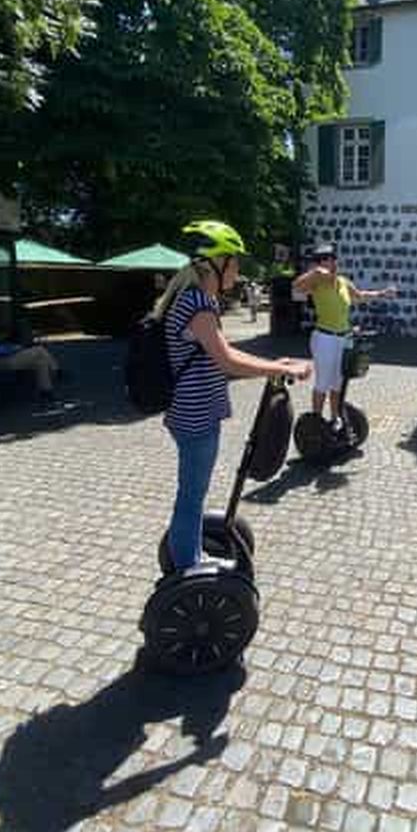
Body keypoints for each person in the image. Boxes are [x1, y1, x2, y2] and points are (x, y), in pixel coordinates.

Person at [156, 220, 310, 570]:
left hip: (192, 411)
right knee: (191, 496)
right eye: (234, 261)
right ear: (216, 263)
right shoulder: (198, 302)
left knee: (193, 493)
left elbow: (223, 352)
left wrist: (274, 363)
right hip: (195, 413)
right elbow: (227, 361)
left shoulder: (196, 299)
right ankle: (188, 565)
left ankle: (190, 553)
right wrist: (278, 369)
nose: (238, 270)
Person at [292, 243, 396, 431]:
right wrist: (314, 273)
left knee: (338, 382)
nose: (329, 263)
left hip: (344, 338)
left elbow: (360, 296)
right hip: (324, 338)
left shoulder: (343, 282)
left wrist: (382, 293)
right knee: (323, 382)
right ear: (318, 264)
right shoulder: (317, 282)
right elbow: (296, 287)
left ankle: (335, 418)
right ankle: (316, 423)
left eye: (331, 259)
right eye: (323, 260)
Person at [0, 300, 60, 406]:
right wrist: (14, 348)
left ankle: (46, 390)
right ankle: (56, 371)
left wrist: (12, 346)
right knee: (39, 351)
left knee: (40, 360)